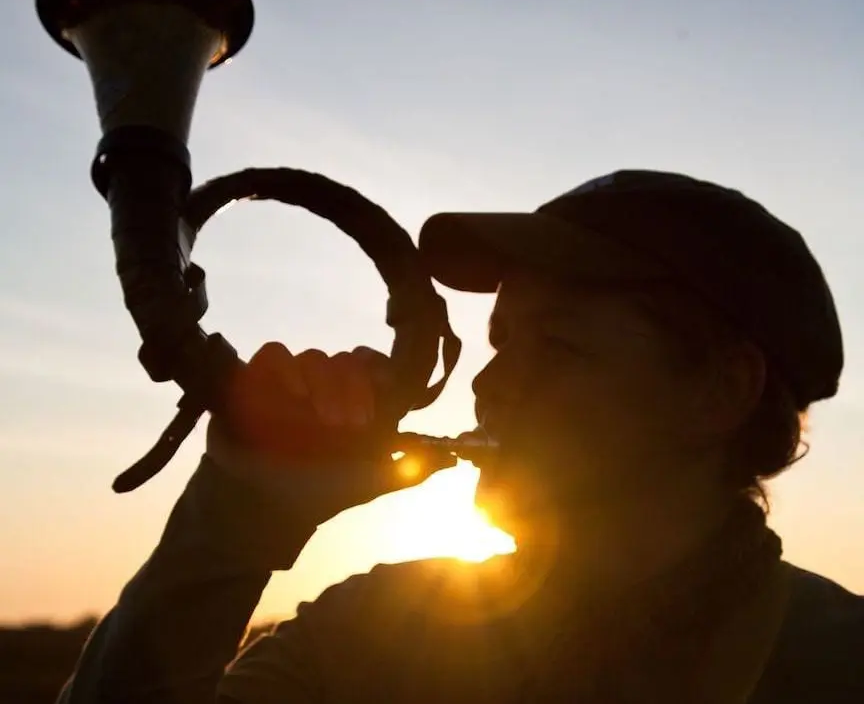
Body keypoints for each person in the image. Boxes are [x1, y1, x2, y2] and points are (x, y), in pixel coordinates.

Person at [58, 170, 863, 704]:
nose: (489, 383)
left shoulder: (837, 660)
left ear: (721, 392)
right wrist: (234, 520)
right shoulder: (370, 629)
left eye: (560, 346)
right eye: (502, 340)